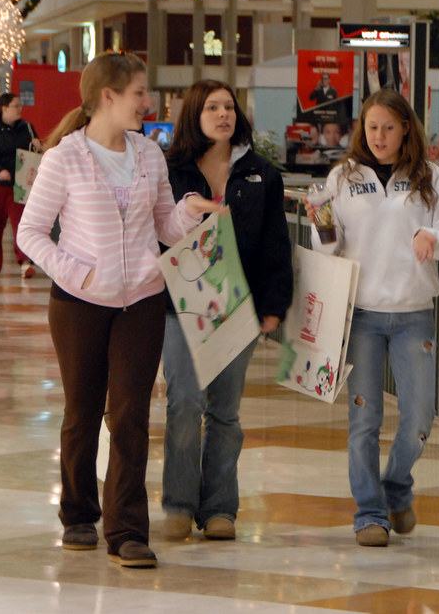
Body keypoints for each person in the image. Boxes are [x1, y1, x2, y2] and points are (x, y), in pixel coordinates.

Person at [17, 53, 219, 568]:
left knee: (130, 415)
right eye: (139, 93)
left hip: (142, 301)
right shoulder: (65, 158)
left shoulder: (149, 154)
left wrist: (189, 213)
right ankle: (78, 514)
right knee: (82, 412)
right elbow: (30, 233)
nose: (147, 102)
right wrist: (78, 273)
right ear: (108, 96)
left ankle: (127, 530)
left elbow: (164, 227)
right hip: (78, 304)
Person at [305, 89, 439, 547]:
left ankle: (396, 484)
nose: (379, 136)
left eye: (389, 128)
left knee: (420, 417)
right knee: (364, 420)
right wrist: (320, 222)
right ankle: (370, 513)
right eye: (372, 127)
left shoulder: (427, 175)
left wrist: (432, 237)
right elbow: (328, 246)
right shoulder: (343, 176)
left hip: (414, 314)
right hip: (361, 315)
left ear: (405, 128)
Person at [161, 79, 293, 541]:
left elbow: (276, 242)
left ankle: (219, 508)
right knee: (184, 403)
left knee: (225, 412)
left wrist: (273, 304)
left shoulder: (261, 173)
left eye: (229, 107)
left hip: (238, 305)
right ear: (194, 115)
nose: (223, 115)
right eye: (212, 107)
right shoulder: (171, 171)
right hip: (180, 305)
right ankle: (179, 503)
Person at [0, 93, 42, 277]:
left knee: (22, 222)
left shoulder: (27, 128)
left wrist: (38, 146)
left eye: (20, 105)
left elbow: (33, 152)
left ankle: (25, 261)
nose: (20, 109)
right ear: (4, 109)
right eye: (16, 105)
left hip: (19, 182)